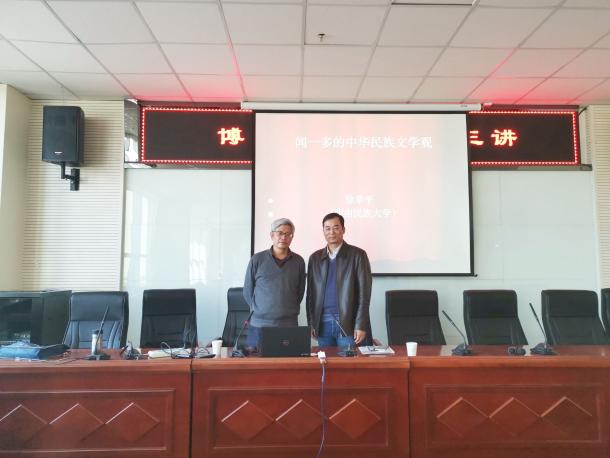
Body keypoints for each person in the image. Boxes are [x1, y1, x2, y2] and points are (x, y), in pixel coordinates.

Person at [307, 212, 372, 348]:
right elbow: (311, 295)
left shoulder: (358, 255)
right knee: (326, 360)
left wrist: (360, 324)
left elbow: (364, 294)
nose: (331, 232)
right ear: (323, 231)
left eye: (336, 228)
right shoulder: (315, 258)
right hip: (323, 323)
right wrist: (311, 323)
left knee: (349, 361)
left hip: (348, 322)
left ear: (343, 230)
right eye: (327, 228)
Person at [243, 218, 305, 351]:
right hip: (258, 323)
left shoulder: (299, 261)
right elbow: (247, 290)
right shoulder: (257, 259)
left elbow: (300, 292)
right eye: (280, 233)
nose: (284, 237)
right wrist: (258, 310)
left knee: (287, 359)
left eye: (288, 234)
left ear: (292, 237)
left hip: (288, 324)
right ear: (272, 235)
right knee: (253, 360)